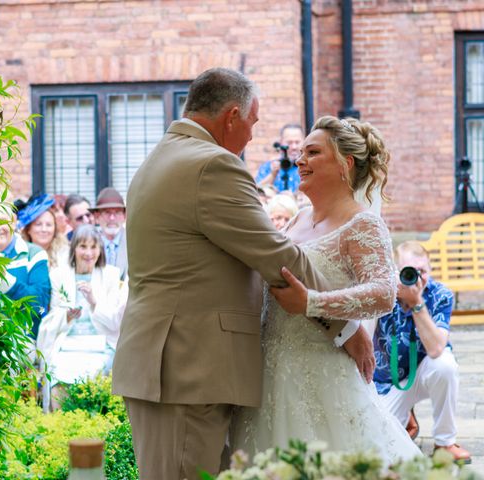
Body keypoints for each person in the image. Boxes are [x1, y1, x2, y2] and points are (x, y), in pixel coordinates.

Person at [112, 68, 374, 480]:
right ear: (232, 116)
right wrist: (346, 327)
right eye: (252, 122)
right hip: (187, 367)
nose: (252, 136)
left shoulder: (161, 157)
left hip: (168, 363)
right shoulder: (211, 165)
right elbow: (277, 256)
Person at [231, 115, 421, 464]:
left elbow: (383, 292)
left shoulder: (362, 222)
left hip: (321, 372)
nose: (300, 160)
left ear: (345, 164)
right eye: (301, 152)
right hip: (270, 371)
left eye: (313, 152)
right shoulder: (298, 218)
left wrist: (311, 302)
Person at [373, 241, 471, 463]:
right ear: (395, 272)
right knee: (380, 447)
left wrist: (416, 302)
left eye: (423, 271)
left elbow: (436, 348)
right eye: (410, 272)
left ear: (431, 270)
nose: (417, 278)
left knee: (445, 365)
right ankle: (405, 416)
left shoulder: (440, 295)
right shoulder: (383, 293)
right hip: (389, 382)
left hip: (426, 370)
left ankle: (445, 443)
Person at [37, 225, 122, 409]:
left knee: (103, 369)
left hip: (100, 343)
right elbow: (51, 317)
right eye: (83, 246)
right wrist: (66, 316)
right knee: (56, 372)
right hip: (68, 343)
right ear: (74, 248)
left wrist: (93, 302)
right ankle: (62, 425)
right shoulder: (59, 275)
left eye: (93, 247)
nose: (88, 253)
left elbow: (115, 322)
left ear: (100, 250)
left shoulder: (111, 275)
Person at [0, 202, 51, 340]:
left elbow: (40, 303)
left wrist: (10, 284)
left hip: (23, 339)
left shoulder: (34, 254)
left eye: (3, 221)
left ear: (13, 222)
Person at [18, 194, 69, 270]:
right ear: (28, 229)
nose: (44, 229)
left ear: (54, 229)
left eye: (49, 225)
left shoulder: (65, 253)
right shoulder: (19, 253)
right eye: (38, 224)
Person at [91, 187, 129, 281]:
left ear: (125, 216)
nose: (112, 218)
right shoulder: (89, 241)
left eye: (117, 212)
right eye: (107, 212)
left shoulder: (134, 242)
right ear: (97, 216)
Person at [255, 123, 304, 192]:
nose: (294, 147)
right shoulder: (268, 166)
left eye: (297, 142)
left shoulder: (310, 167)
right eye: (289, 142)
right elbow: (256, 193)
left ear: (304, 142)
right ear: (281, 142)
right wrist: (272, 175)